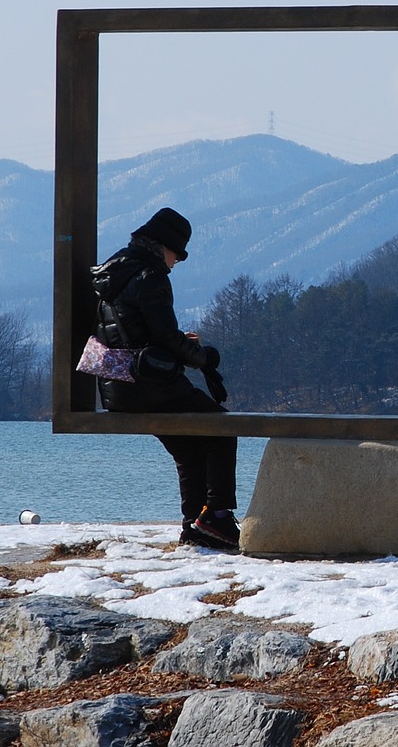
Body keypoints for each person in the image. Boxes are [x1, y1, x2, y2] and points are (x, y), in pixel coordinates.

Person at [91, 207, 240, 551]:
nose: (177, 262)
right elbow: (165, 337)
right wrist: (203, 356)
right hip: (150, 386)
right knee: (221, 428)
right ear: (163, 247)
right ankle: (216, 516)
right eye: (178, 254)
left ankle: (195, 525)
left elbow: (133, 333)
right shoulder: (151, 276)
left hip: (118, 388)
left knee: (189, 449)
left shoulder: (113, 273)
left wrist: (175, 345)